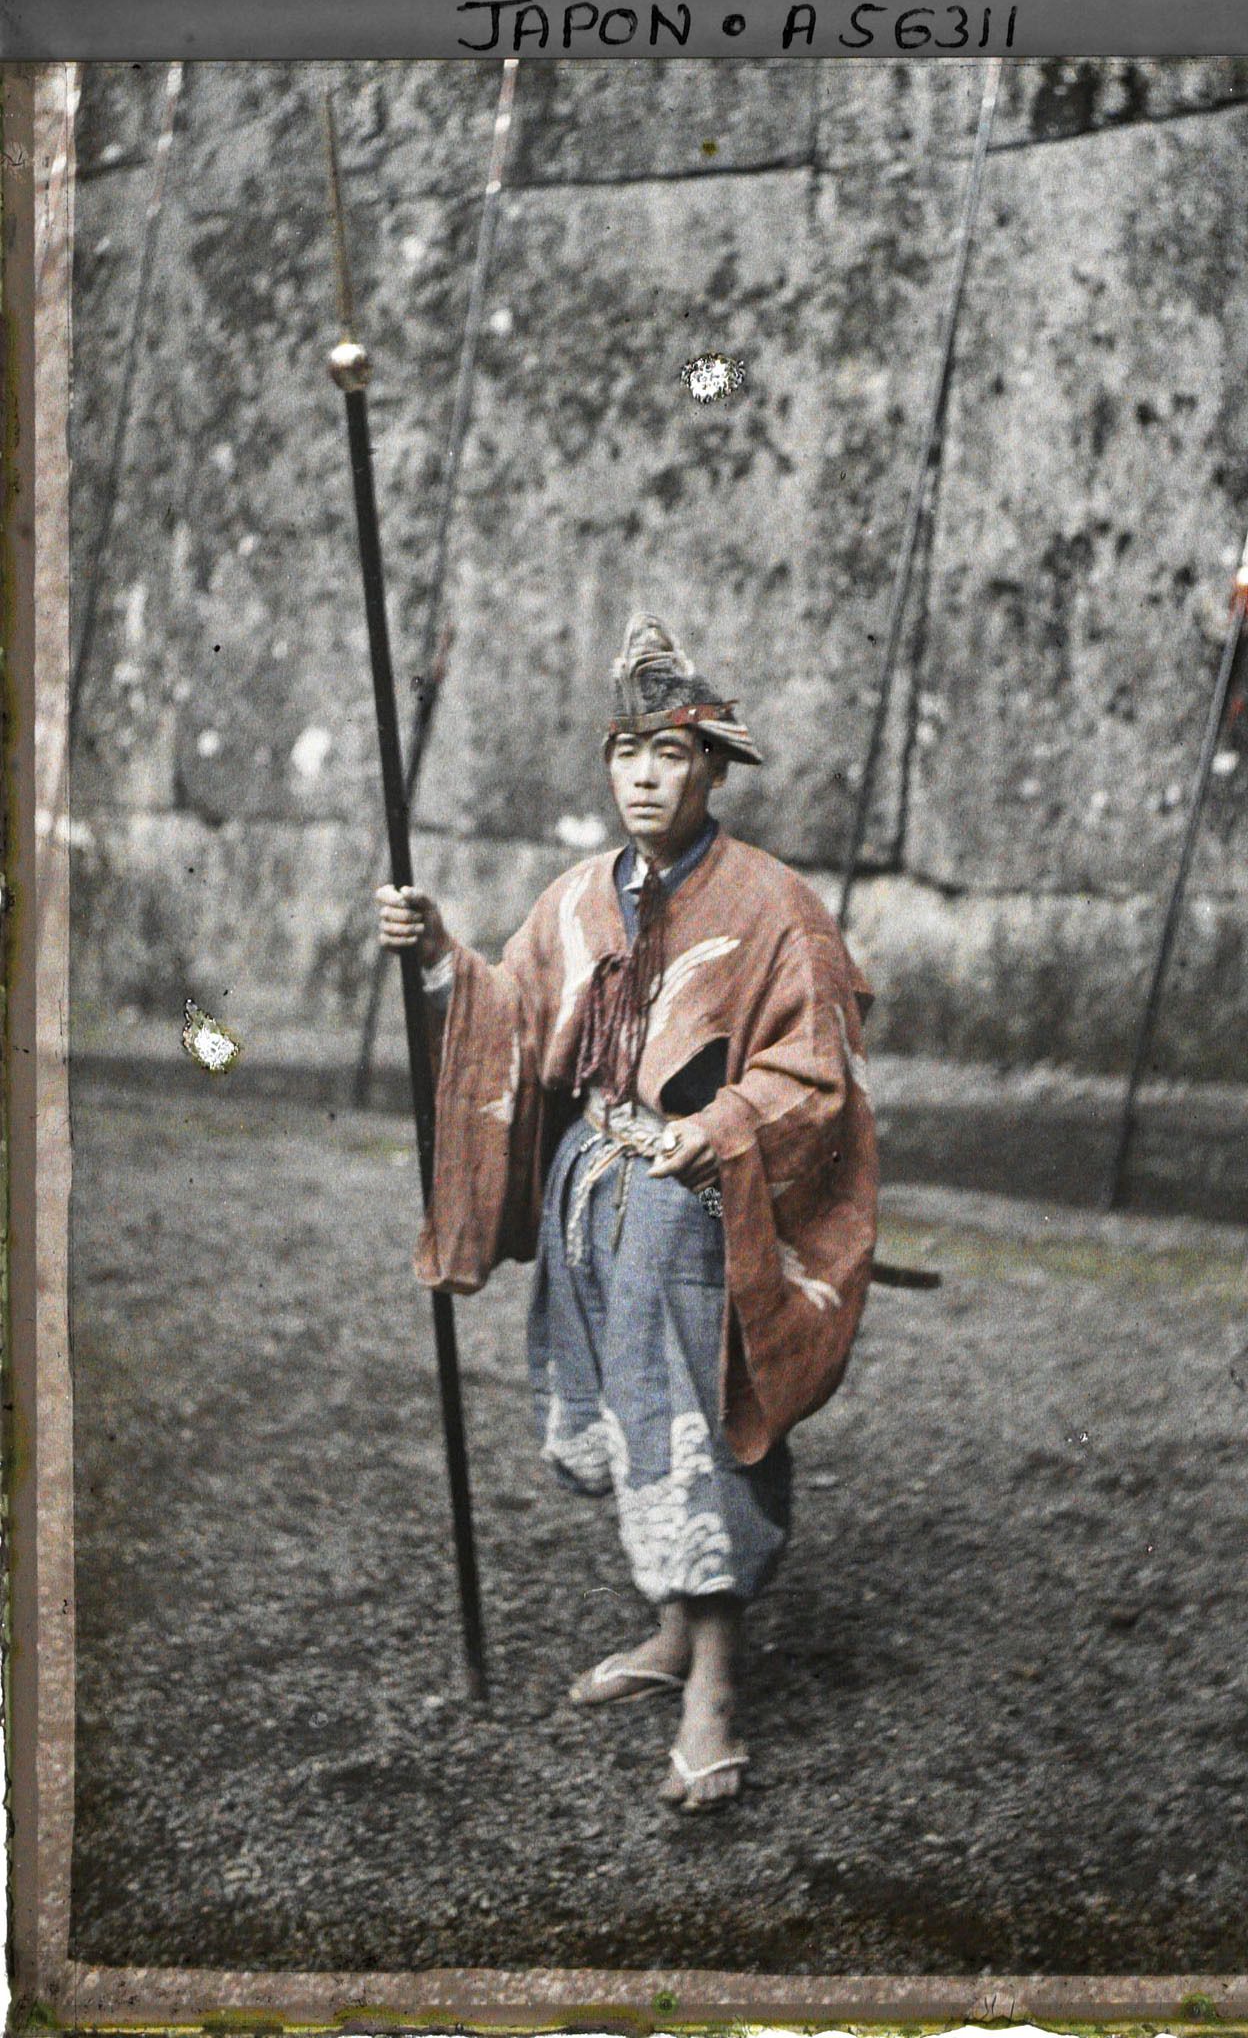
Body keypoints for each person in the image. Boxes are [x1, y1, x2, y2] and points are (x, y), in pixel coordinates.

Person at [376, 612, 878, 1812]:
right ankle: (669, 1631)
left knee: (701, 1421)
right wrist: (439, 952)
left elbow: (817, 1071)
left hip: (701, 1209)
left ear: (713, 769)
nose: (644, 777)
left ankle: (716, 1684)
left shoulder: (776, 908)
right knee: (633, 1410)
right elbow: (514, 1014)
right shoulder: (575, 900)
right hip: (593, 1196)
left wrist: (724, 1124)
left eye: (669, 753)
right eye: (626, 753)